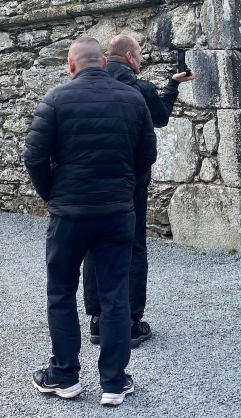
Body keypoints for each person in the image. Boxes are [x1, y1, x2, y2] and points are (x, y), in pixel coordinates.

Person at [23, 35, 156, 406]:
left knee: (61, 292)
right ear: (102, 62)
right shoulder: (133, 99)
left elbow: (34, 157)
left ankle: (65, 376)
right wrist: (125, 190)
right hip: (116, 213)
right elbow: (147, 155)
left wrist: (53, 195)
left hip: (70, 215)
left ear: (71, 65)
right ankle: (114, 382)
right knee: (115, 295)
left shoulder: (55, 99)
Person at [83, 33, 195, 348]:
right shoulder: (140, 89)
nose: (142, 59)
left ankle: (97, 321)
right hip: (129, 185)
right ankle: (130, 323)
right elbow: (159, 120)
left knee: (94, 247)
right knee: (132, 248)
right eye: (141, 54)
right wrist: (174, 85)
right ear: (131, 58)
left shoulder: (85, 86)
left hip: (91, 183)